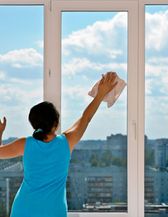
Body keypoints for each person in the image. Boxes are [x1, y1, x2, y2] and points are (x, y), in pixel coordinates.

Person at [0, 72, 118, 217]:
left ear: (34, 124)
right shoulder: (66, 142)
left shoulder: (25, 144)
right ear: (56, 123)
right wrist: (100, 95)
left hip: (24, 209)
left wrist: (0, 133)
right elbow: (85, 118)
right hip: (54, 211)